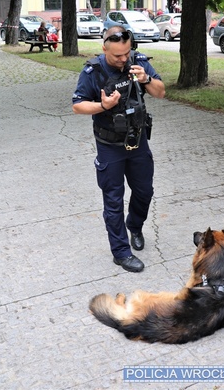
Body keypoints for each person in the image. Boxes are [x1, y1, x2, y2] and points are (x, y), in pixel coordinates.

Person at [72, 27, 165, 273]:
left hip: (138, 141)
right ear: (104, 49)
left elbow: (161, 92)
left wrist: (146, 79)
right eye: (117, 56)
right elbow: (77, 106)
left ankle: (134, 225)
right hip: (109, 147)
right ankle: (121, 253)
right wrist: (102, 105)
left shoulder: (138, 62)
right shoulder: (94, 71)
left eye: (127, 53)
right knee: (113, 201)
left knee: (145, 191)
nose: (123, 59)